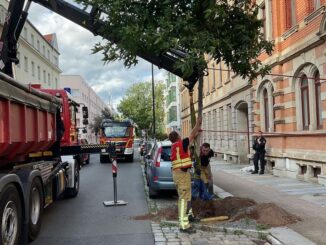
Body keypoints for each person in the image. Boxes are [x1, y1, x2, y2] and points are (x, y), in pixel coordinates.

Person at [169, 116, 202, 234]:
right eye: (179, 134)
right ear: (177, 137)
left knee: (187, 196)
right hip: (181, 174)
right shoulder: (181, 144)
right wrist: (197, 124)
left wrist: (197, 131)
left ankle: (189, 215)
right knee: (183, 198)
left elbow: (191, 140)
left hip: (179, 173)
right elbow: (192, 135)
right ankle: (183, 225)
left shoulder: (175, 146)